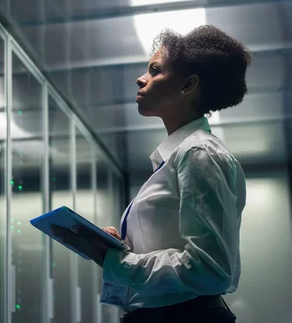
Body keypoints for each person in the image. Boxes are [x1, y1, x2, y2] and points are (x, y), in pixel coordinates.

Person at [52, 25, 251, 323]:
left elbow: (212, 270)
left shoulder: (198, 154)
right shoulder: (179, 156)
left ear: (188, 85)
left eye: (154, 70)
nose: (140, 78)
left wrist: (117, 261)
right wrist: (120, 249)